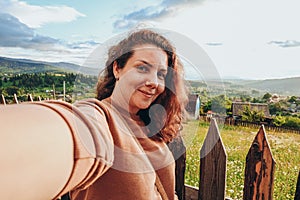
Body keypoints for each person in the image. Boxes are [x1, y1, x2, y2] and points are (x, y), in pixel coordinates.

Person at [0, 29, 188, 200]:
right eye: (142, 68)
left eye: (161, 74)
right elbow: (76, 133)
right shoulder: (101, 117)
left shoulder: (149, 124)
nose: (154, 82)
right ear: (117, 69)